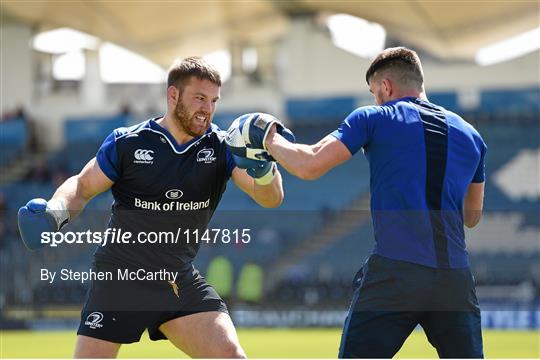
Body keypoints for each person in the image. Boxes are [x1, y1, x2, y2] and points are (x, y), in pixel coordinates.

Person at [18, 57, 285, 358]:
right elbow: (81, 187)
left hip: (176, 279)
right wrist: (55, 212)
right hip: (120, 279)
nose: (207, 109)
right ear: (173, 96)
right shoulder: (128, 143)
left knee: (231, 356)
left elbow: (270, 198)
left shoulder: (222, 147)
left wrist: (263, 170)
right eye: (199, 98)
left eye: (213, 100)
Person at [228, 47, 486, 358]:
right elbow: (472, 216)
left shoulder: (374, 117)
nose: (376, 98)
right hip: (454, 280)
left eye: (375, 92)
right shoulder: (473, 137)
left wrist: (267, 136)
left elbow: (309, 165)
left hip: (396, 274)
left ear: (385, 87)